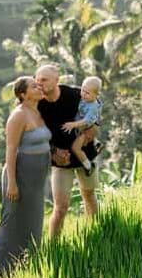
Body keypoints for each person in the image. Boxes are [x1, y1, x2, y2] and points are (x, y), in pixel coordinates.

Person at [0, 76, 52, 278]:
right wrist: (12, 183)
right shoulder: (18, 116)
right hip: (19, 176)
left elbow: (42, 141)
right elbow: (11, 150)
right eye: (34, 86)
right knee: (11, 222)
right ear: (22, 94)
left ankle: (28, 263)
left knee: (33, 220)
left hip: (36, 179)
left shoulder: (38, 112)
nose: (39, 87)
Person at [35, 64, 100, 238]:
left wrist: (93, 130)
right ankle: (54, 247)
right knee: (61, 206)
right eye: (37, 80)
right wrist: (54, 152)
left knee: (89, 195)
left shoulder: (75, 95)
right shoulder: (37, 105)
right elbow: (35, 136)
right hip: (60, 162)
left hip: (85, 154)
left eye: (43, 79)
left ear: (56, 80)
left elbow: (95, 111)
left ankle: (96, 234)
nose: (39, 83)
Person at [61, 76, 103, 176]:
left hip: (86, 129)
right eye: (82, 90)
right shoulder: (83, 97)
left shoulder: (92, 106)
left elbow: (87, 121)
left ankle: (88, 166)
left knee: (75, 148)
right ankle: (96, 143)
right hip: (82, 127)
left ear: (96, 95)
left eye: (87, 93)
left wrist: (73, 124)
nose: (83, 94)